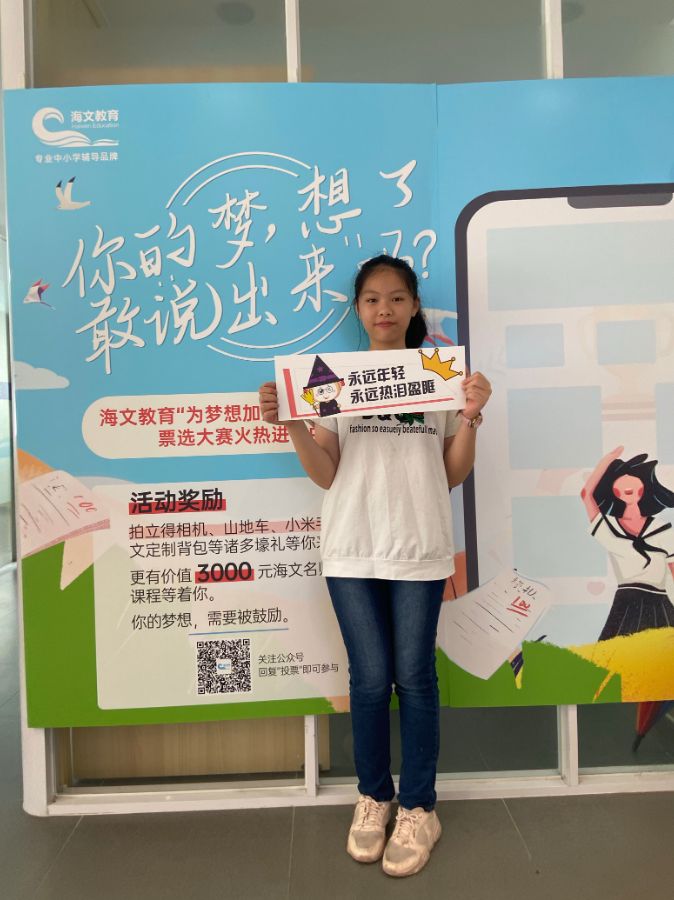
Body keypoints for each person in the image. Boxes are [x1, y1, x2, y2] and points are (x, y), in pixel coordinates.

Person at [259, 254, 491, 877]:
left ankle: (418, 807)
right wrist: (294, 424)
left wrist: (471, 416)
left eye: (395, 298)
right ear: (358, 309)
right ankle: (374, 797)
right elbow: (327, 473)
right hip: (351, 545)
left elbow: (451, 473)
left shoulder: (440, 374)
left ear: (414, 307)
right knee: (368, 680)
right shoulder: (332, 379)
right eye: (371, 299)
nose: (383, 309)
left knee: (413, 678)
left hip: (419, 546)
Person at [581, 445, 674, 641]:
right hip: (626, 603)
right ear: (614, 491)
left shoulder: (663, 529)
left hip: (660, 603)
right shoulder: (608, 528)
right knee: (614, 656)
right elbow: (586, 495)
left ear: (643, 488)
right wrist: (607, 460)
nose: (628, 486)